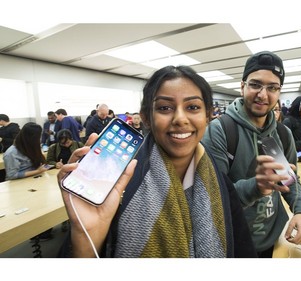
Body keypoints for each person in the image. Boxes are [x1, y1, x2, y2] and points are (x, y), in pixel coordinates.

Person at [57, 65, 257, 258]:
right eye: (164, 107)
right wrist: (85, 238)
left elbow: (242, 251)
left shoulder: (219, 180)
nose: (180, 118)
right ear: (146, 117)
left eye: (193, 107)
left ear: (207, 115)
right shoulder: (117, 181)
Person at [202, 51, 301, 258]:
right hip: (233, 241)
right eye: (255, 85)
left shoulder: (282, 133)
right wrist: (256, 186)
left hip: (273, 237)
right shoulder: (220, 130)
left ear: (279, 92)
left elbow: (290, 180)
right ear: (243, 86)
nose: (263, 94)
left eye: (272, 88)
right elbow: (213, 198)